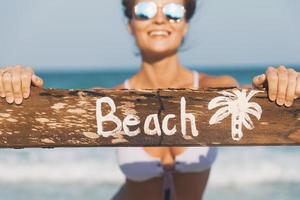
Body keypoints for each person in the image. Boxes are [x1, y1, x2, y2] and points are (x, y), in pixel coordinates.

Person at [0, 0, 299, 199]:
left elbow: (257, 99)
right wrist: (20, 88)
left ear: (185, 24)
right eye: (144, 10)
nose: (159, 18)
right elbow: (50, 111)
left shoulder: (217, 89)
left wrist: (278, 84)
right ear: (130, 23)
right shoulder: (107, 100)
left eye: (173, 11)